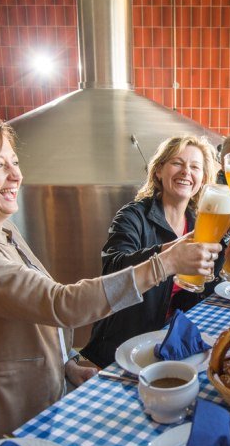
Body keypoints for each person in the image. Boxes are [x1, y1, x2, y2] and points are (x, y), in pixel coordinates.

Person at [0, 119, 221, 446]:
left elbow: (34, 317)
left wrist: (67, 366)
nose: (16, 175)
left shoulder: (4, 232)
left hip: (39, 409)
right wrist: (165, 262)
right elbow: (60, 304)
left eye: (15, 162)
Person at [81, 135, 222, 368]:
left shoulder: (200, 223)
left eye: (195, 167)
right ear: (158, 171)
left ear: (203, 179)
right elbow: (112, 270)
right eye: (177, 163)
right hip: (123, 345)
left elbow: (203, 284)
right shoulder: (132, 216)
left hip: (171, 343)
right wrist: (171, 255)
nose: (186, 171)